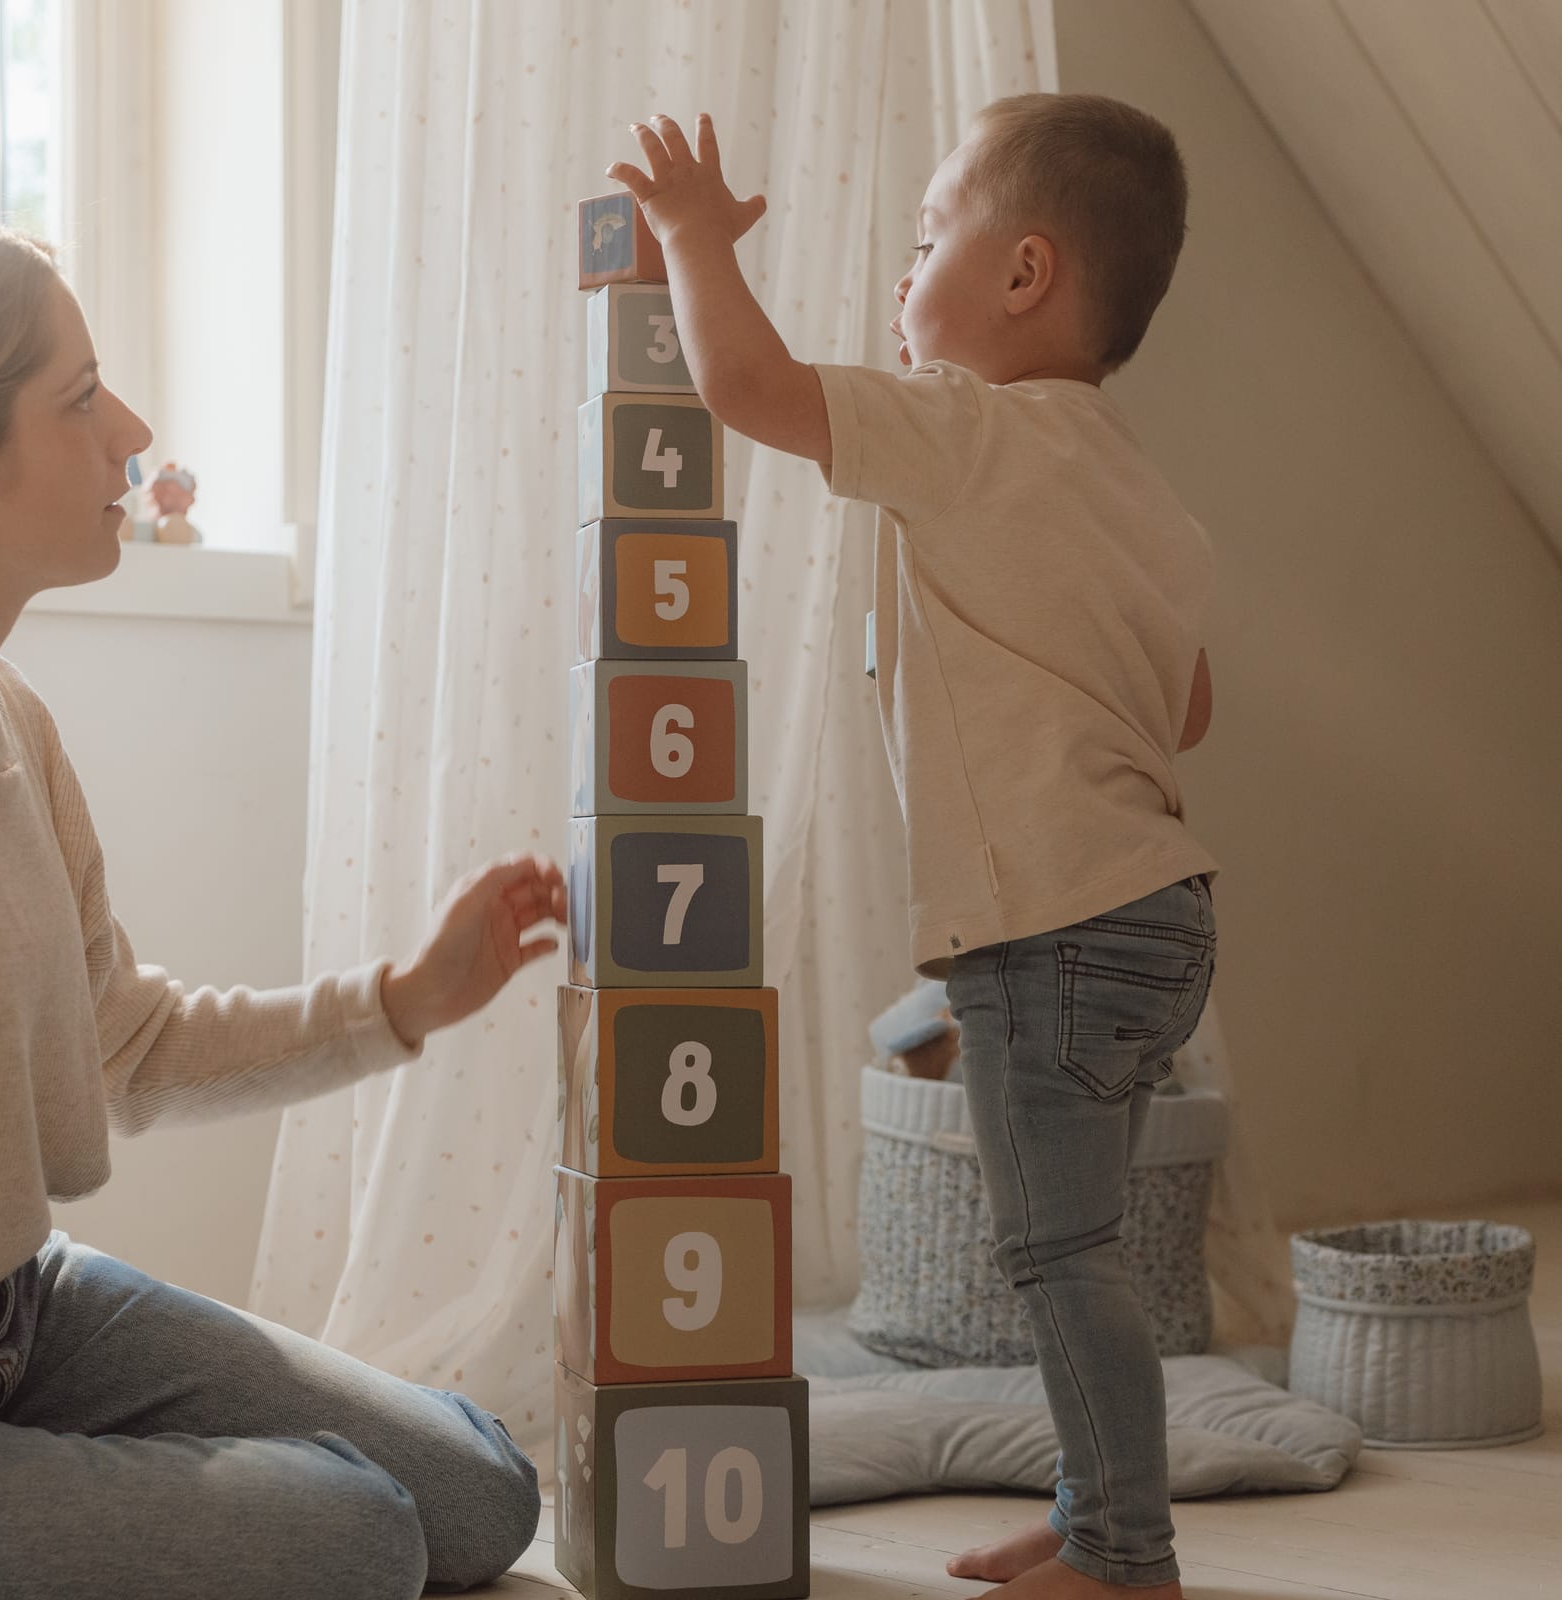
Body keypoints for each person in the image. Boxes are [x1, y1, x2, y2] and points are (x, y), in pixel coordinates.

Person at [609, 97, 1218, 1598]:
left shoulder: (968, 425)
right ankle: (1097, 1514)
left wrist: (692, 234)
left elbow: (746, 383)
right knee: (1078, 1238)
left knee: (1059, 1261)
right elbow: (1190, 706)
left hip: (1058, 927)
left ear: (1021, 276)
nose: (902, 274)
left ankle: (1125, 1556)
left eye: (927, 238)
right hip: (1161, 914)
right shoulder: (1139, 483)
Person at [0, 218, 565, 1598]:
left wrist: (402, 1000)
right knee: (358, 1535)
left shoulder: (16, 724)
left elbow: (128, 1042)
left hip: (19, 1312)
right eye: (75, 401)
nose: (132, 428)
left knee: (478, 1498)